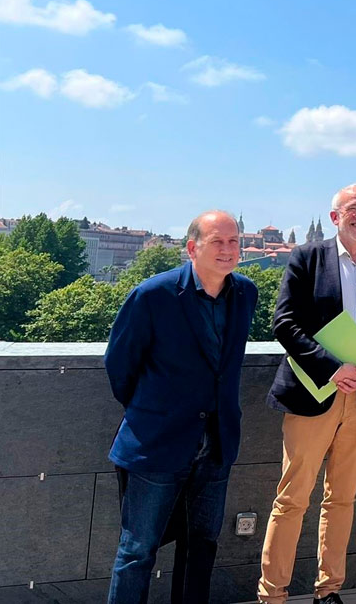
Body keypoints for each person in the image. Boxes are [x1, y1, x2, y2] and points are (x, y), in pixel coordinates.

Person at [257, 184, 356, 604]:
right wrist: (332, 367)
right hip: (312, 393)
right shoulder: (307, 256)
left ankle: (329, 590)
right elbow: (284, 323)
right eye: (353, 208)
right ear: (335, 216)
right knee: (292, 498)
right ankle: (273, 595)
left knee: (342, 499)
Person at [105, 210, 258, 604]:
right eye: (217, 242)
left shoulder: (245, 293)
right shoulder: (153, 294)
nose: (228, 250)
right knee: (137, 550)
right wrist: (153, 413)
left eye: (234, 241)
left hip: (216, 445)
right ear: (193, 248)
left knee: (201, 547)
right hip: (157, 443)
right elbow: (120, 364)